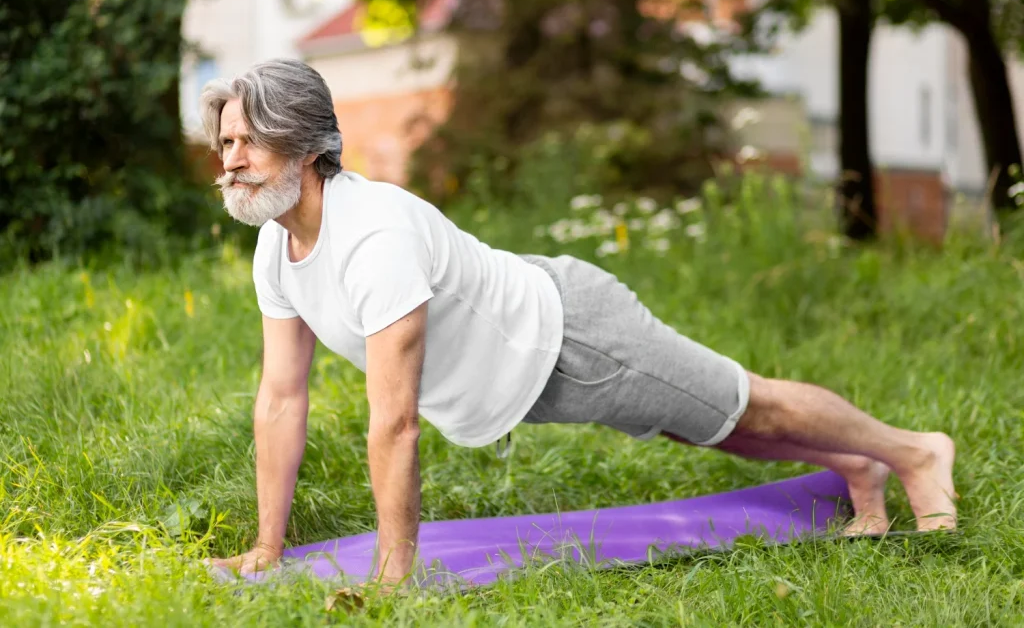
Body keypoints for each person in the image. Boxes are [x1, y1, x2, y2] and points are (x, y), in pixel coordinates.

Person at [203, 59, 957, 586]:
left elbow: (395, 424)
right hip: (524, 362)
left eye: (249, 140)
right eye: (226, 141)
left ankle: (916, 452)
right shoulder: (279, 246)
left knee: (740, 404)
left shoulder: (375, 237)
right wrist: (267, 546)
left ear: (308, 146)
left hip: (573, 340)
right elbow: (281, 398)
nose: (230, 160)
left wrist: (393, 580)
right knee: (708, 425)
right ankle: (858, 468)